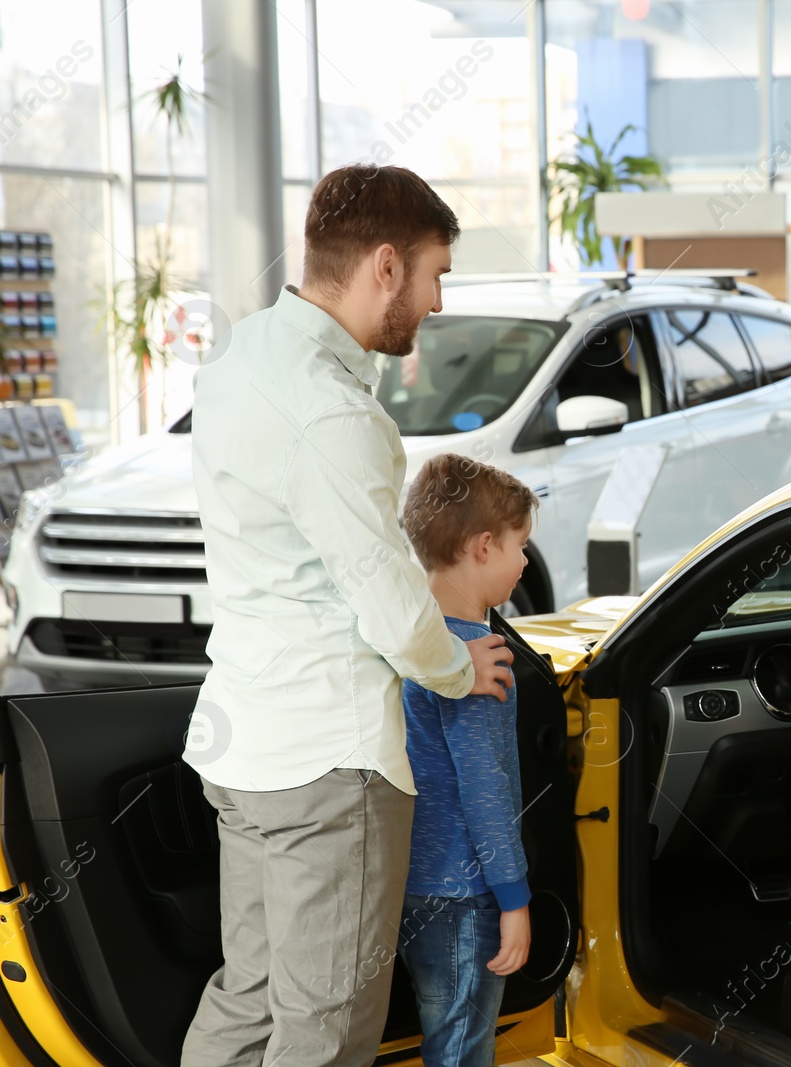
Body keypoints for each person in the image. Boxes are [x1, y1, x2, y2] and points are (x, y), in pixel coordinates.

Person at [182, 165, 517, 1067]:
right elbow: (391, 606)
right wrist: (460, 667)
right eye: (435, 273)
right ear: (383, 265)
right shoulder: (334, 412)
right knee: (324, 1031)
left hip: (242, 741)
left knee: (247, 1000)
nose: (437, 300)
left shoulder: (241, 357)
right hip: (327, 759)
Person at [396, 453, 539, 1067]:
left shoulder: (412, 643)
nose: (526, 561)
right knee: (461, 1047)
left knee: (439, 1032)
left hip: (410, 882)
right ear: (483, 547)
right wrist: (514, 899)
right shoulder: (476, 659)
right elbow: (486, 787)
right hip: (465, 889)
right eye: (520, 544)